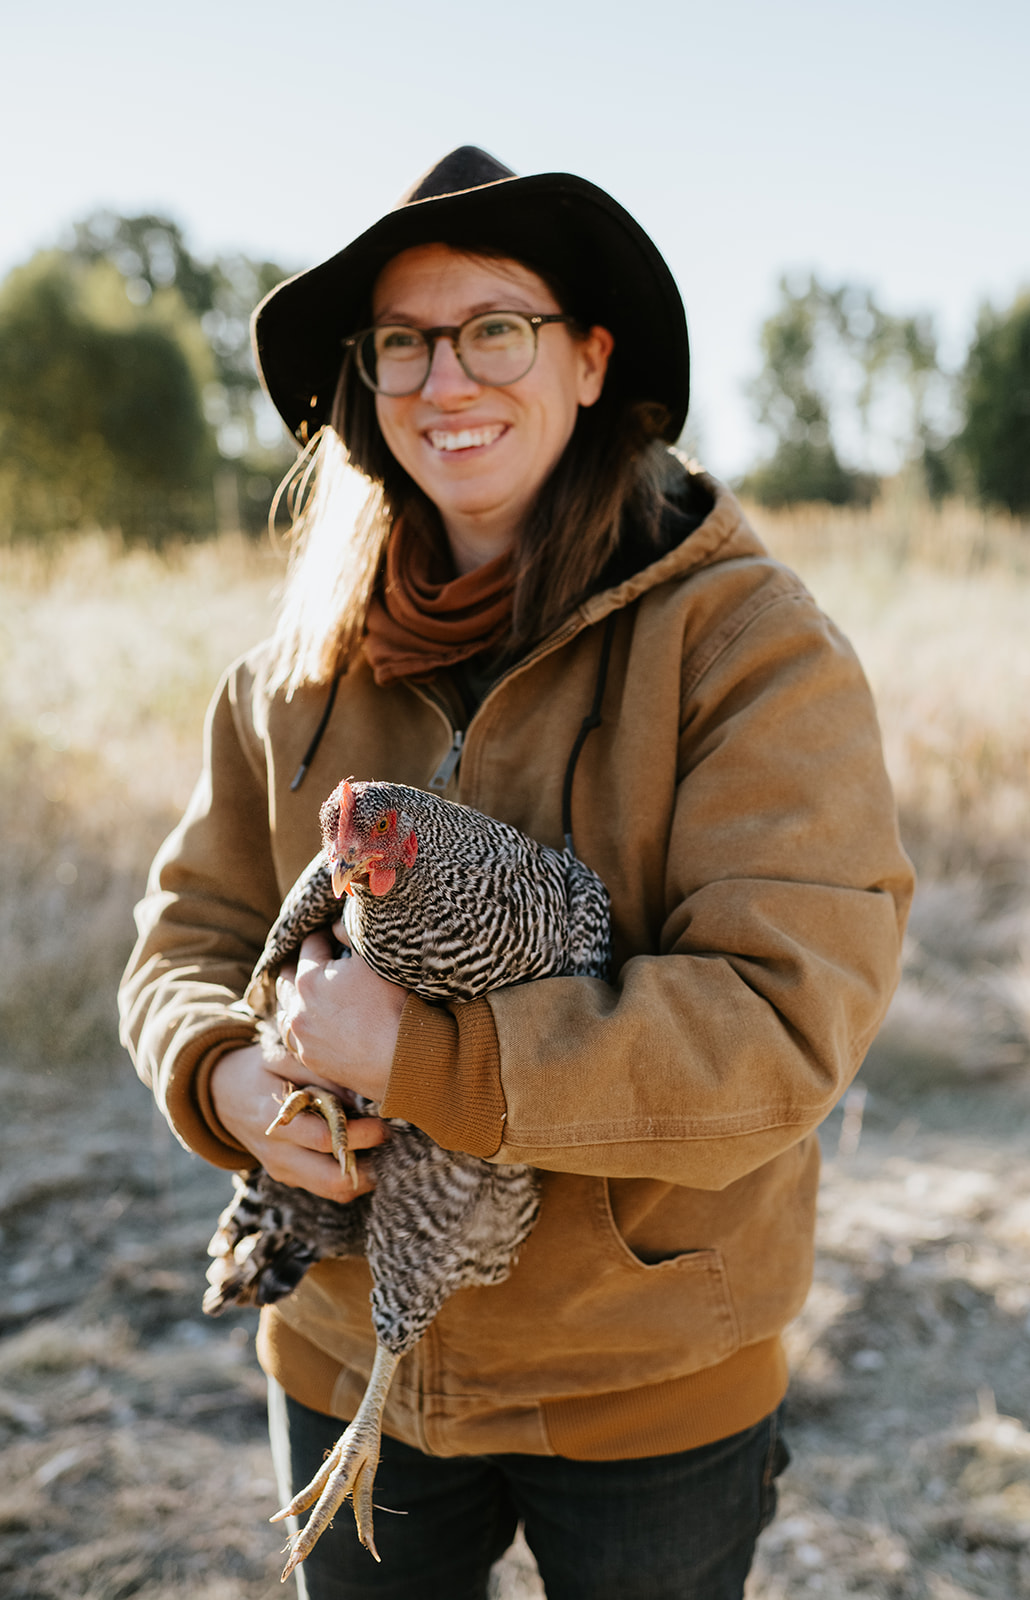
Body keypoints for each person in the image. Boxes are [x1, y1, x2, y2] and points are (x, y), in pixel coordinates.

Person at [119, 146, 913, 1600]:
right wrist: (229, 1082)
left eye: (495, 328)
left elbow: (778, 1027)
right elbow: (188, 935)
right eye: (403, 343)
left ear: (590, 358)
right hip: (348, 1346)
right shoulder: (291, 673)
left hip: (644, 1371)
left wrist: (428, 1056)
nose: (445, 380)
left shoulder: (748, 651)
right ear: (365, 379)